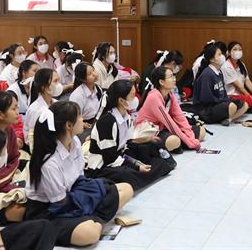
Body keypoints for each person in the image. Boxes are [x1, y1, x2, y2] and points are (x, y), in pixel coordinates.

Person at [26, 101, 133, 247]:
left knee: (127, 189)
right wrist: (91, 198)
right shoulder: (49, 163)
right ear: (69, 125)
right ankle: (93, 219)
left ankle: (92, 218)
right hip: (51, 211)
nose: (83, 120)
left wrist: (90, 195)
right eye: (80, 116)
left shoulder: (75, 141)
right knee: (90, 233)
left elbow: (80, 179)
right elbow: (60, 204)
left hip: (74, 194)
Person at [86, 79, 175, 190]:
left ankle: (156, 168)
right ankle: (155, 169)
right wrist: (137, 166)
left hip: (120, 155)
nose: (136, 99)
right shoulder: (107, 121)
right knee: (128, 175)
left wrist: (146, 139)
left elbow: (127, 143)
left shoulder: (125, 116)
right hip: (103, 166)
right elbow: (110, 157)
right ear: (121, 101)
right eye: (133, 95)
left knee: (151, 146)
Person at [137, 66, 205, 152]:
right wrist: (190, 143)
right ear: (161, 82)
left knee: (201, 131)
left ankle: (179, 144)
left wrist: (191, 136)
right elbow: (170, 123)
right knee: (174, 141)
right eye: (170, 77)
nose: (174, 79)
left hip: (162, 127)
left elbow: (180, 117)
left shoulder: (170, 94)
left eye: (173, 76)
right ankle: (176, 144)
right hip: (149, 131)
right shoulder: (154, 97)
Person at [193, 43, 248, 125]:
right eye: (219, 54)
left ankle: (228, 119)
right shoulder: (207, 74)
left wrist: (226, 100)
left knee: (245, 105)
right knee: (232, 106)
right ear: (212, 59)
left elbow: (223, 93)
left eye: (221, 54)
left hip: (219, 103)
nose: (222, 56)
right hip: (207, 109)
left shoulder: (219, 72)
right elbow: (206, 98)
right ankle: (224, 116)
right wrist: (224, 102)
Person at [222, 41, 252, 111]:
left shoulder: (241, 64)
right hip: (232, 95)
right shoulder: (226, 66)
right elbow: (239, 87)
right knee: (248, 99)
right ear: (229, 52)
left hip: (242, 94)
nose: (238, 51)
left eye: (240, 49)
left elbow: (247, 81)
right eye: (235, 49)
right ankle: (251, 105)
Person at [24, 68, 61, 147]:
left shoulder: (57, 103)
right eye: (55, 81)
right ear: (44, 87)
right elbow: (31, 137)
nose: (59, 84)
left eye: (58, 80)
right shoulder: (35, 110)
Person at [69, 62, 102, 126]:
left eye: (93, 70)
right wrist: (83, 124)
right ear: (83, 79)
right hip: (83, 125)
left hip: (96, 121)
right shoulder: (77, 96)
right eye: (90, 74)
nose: (94, 74)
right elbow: (73, 119)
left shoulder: (98, 88)